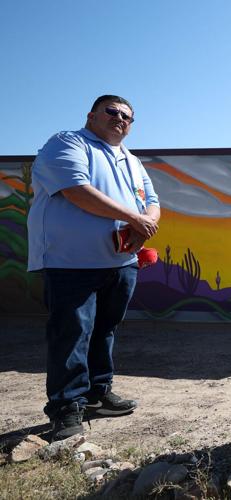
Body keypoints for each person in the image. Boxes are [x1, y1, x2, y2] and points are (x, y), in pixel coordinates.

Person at [27, 95, 160, 440]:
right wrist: (132, 217)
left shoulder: (130, 159)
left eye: (128, 117)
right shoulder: (68, 143)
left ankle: (98, 394)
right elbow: (76, 190)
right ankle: (66, 408)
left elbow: (153, 201)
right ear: (91, 115)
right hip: (70, 262)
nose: (120, 119)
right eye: (112, 112)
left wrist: (143, 224)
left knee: (105, 330)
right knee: (71, 334)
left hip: (120, 261)